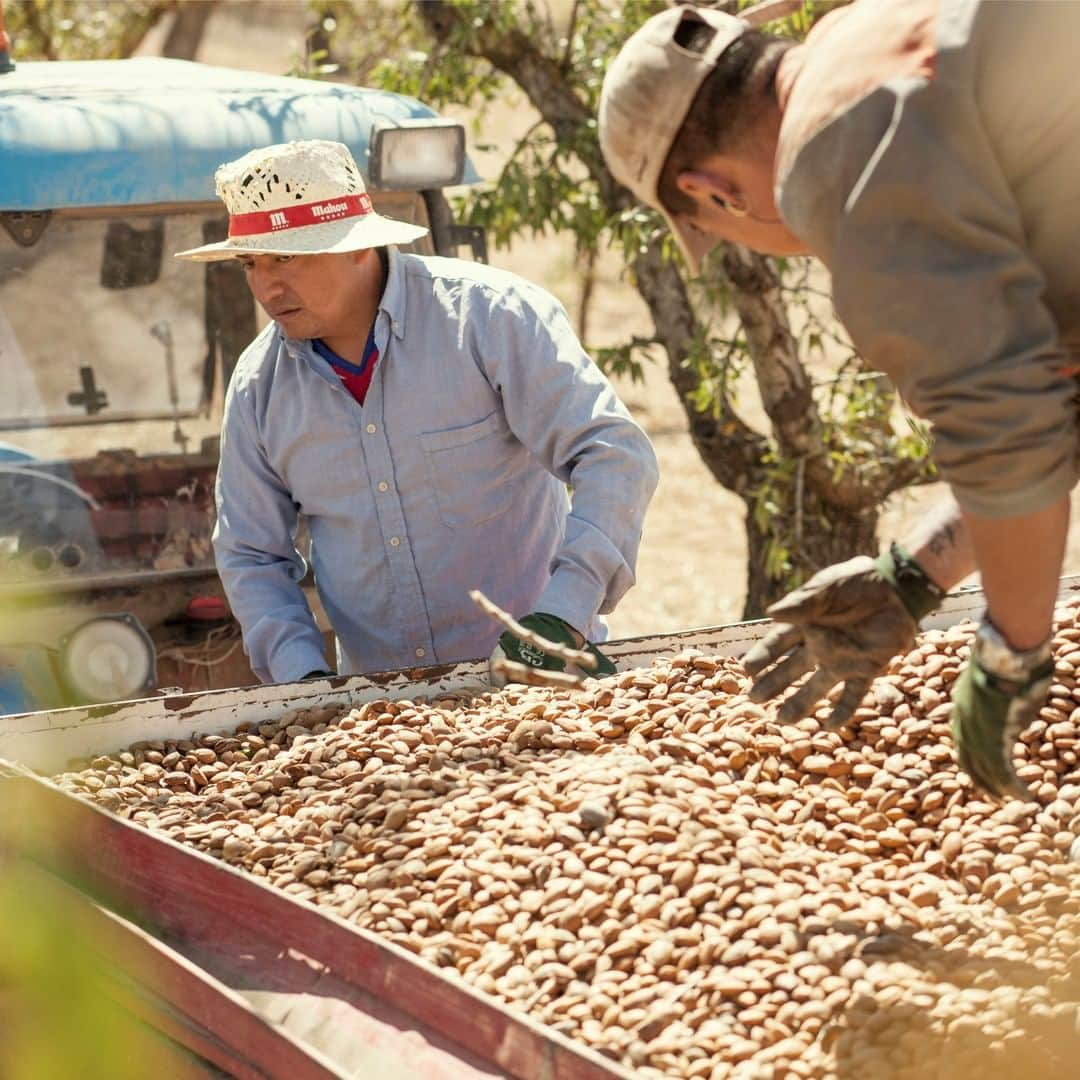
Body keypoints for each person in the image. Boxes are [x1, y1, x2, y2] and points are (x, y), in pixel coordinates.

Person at [598, 0, 1080, 798]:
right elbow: (1050, 394)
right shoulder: (871, 36)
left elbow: (1011, 434)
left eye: (714, 229)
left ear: (712, 191)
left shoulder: (836, 153)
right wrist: (917, 573)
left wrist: (1009, 655)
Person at [176, 139, 657, 687]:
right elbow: (251, 554)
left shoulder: (490, 319)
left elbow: (614, 455)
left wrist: (561, 616)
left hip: (544, 683)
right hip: (378, 714)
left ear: (356, 246)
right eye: (250, 262)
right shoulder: (260, 385)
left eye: (285, 256)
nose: (265, 285)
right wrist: (304, 683)